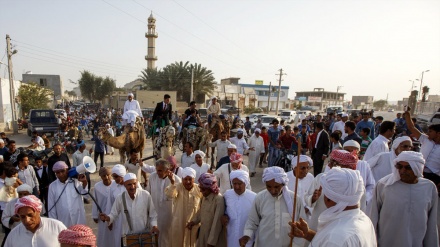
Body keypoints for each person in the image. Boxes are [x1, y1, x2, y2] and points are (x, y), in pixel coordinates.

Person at [290, 168, 376, 246]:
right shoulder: (365, 220)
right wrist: (308, 234)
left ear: (328, 199)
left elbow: (333, 241)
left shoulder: (335, 238)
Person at [369, 151, 438, 246]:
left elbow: (432, 223)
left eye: (408, 168)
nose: (402, 171)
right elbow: (373, 217)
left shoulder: (429, 187)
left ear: (417, 168)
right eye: (399, 166)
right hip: (387, 242)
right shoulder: (384, 185)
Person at [239, 167, 306, 247]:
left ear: (283, 184)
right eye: (269, 187)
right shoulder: (260, 198)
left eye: (276, 187)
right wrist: (247, 236)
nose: (273, 190)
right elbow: (252, 221)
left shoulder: (295, 200)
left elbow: (302, 227)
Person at [99, 173, 159, 240]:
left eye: (134, 183)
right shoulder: (120, 198)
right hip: (129, 237)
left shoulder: (145, 195)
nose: (132, 187)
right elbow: (113, 214)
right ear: (124, 185)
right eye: (129, 184)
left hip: (145, 235)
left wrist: (154, 226)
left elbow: (153, 214)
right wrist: (107, 218)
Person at [147, 159, 182, 247]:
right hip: (154, 213)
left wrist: (172, 182)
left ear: (167, 170)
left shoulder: (176, 180)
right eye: (157, 170)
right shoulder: (152, 177)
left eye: (160, 170)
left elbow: (178, 198)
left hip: (169, 215)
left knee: (167, 238)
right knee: (154, 237)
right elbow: (148, 193)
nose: (157, 172)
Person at [165, 167, 202, 247]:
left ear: (194, 179)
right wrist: (172, 182)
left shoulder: (199, 189)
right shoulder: (178, 186)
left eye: (190, 179)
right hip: (179, 225)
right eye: (185, 179)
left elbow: (203, 207)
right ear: (182, 179)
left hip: (193, 225)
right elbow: (169, 194)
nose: (187, 182)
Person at [403, 109, 440, 186]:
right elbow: (411, 127)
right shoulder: (425, 139)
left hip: (435, 177)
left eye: (430, 131)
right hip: (420, 172)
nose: (427, 133)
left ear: (438, 133)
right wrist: (408, 115)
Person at [187, 173, 225, 247]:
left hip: (212, 237)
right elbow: (201, 212)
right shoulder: (204, 197)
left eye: (203, 189)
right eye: (200, 188)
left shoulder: (218, 200)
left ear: (210, 188)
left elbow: (217, 224)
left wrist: (211, 242)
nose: (201, 191)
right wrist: (194, 221)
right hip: (203, 233)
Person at [48, 161, 88, 227]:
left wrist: (84, 182)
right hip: (63, 222)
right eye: (58, 172)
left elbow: (86, 195)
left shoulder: (76, 181)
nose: (60, 174)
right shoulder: (52, 186)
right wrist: (54, 225)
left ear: (67, 170)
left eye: (62, 171)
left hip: (78, 219)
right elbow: (51, 207)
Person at [223, 170, 257, 247]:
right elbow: (223, 211)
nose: (237, 187)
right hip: (230, 237)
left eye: (239, 183)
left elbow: (256, 220)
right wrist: (224, 216)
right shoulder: (227, 195)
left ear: (245, 183)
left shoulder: (254, 197)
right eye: (234, 184)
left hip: (247, 239)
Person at [91, 167, 113, 247]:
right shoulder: (97, 186)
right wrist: (94, 215)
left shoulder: (115, 185)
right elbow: (95, 201)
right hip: (102, 216)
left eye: (108, 175)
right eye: (104, 176)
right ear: (100, 176)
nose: (106, 177)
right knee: (103, 235)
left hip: (114, 215)